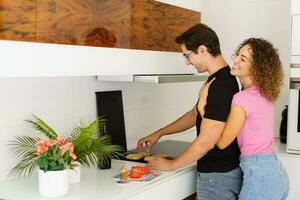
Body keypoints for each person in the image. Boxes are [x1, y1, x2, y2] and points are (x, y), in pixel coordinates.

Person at [136, 23, 242, 200]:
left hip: (217, 177)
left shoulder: (221, 86)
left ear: (202, 50)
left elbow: (206, 141)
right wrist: (159, 133)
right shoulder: (217, 79)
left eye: (187, 55)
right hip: (218, 175)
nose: (187, 62)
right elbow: (194, 114)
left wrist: (172, 165)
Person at [198, 38, 289, 200]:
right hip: (276, 174)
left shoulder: (242, 99)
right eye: (237, 55)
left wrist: (202, 108)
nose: (235, 60)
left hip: (259, 176)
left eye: (243, 59)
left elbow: (221, 142)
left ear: (257, 68)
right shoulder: (264, 94)